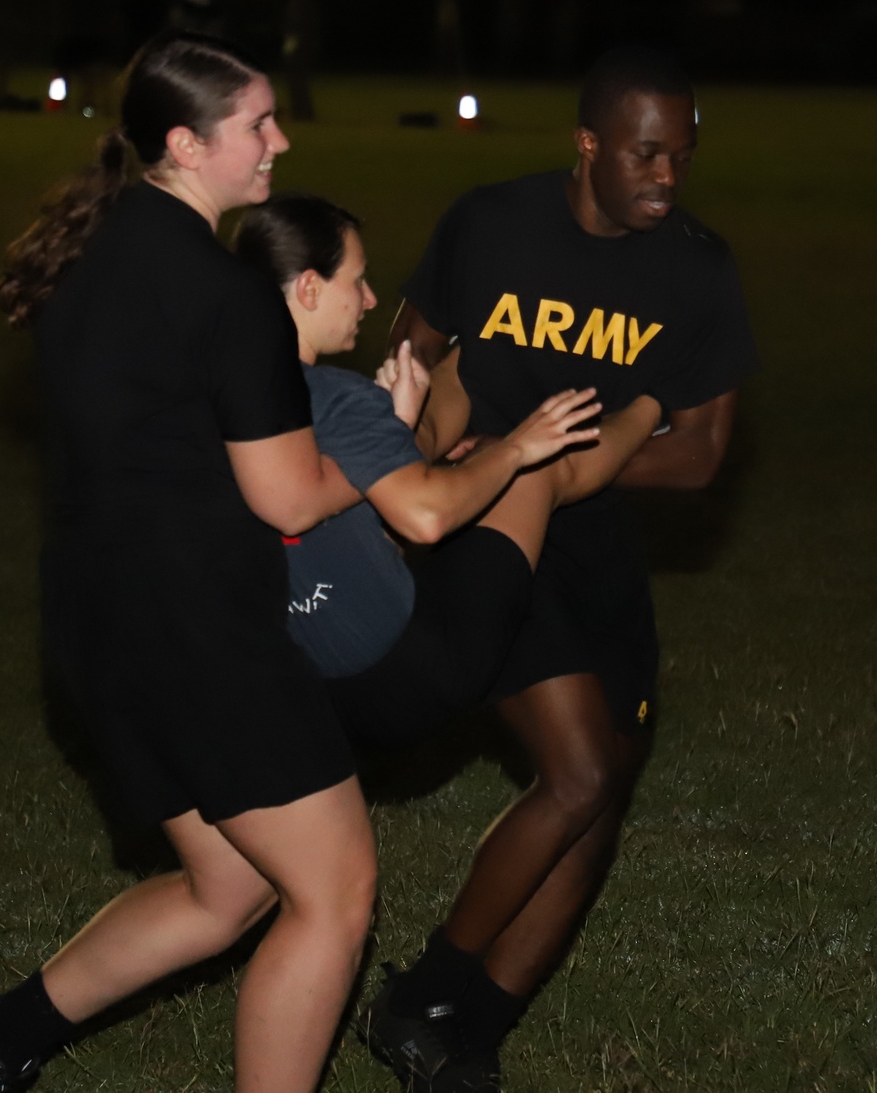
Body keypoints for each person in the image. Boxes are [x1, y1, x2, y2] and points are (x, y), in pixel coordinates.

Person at [0, 31, 380, 1093]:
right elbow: (288, 495)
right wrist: (388, 439)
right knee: (336, 890)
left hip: (98, 627)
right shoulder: (228, 301)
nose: (280, 140)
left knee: (229, 887)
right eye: (258, 124)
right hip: (199, 638)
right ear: (187, 141)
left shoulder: (86, 248)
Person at [357, 43, 760, 1093]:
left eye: (680, 155)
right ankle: (425, 989)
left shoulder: (697, 271)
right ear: (587, 145)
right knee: (577, 769)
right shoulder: (490, 223)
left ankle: (462, 1031)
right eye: (643, 155)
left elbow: (703, 452)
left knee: (599, 795)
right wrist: (439, 455)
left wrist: (586, 466)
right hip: (483, 524)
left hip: (595, 541)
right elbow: (410, 353)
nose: (666, 177)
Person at [233, 191, 661, 754]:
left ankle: (486, 346)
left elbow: (350, 539)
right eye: (357, 282)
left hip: (311, 696)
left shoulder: (228, 403)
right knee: (536, 469)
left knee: (467, 397)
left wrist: (397, 429)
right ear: (309, 288)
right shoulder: (340, 399)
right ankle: (654, 401)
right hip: (415, 673)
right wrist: (515, 449)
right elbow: (425, 519)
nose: (369, 299)